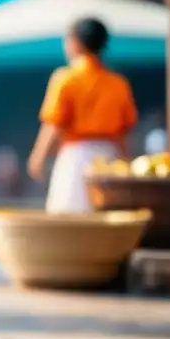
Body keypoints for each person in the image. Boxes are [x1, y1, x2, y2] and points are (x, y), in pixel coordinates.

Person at [28, 18, 138, 213]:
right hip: (108, 159)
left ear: (74, 43)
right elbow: (124, 131)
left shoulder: (65, 78)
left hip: (75, 158)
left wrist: (38, 157)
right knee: (103, 218)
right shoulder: (118, 83)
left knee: (69, 218)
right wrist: (126, 161)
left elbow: (54, 124)